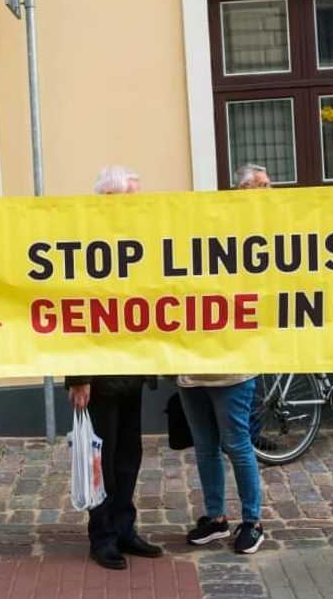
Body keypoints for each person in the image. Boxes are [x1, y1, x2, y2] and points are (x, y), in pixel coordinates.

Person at [65, 166, 161, 571]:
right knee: (99, 459)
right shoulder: (84, 241)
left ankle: (125, 528)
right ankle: (102, 535)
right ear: (108, 199)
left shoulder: (137, 240)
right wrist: (78, 374)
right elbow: (67, 310)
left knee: (128, 456)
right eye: (131, 198)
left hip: (131, 369)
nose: (138, 206)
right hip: (98, 376)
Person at [179, 372, 265, 553]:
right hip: (192, 378)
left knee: (238, 447)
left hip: (232, 376)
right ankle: (216, 519)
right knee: (205, 449)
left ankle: (253, 523)